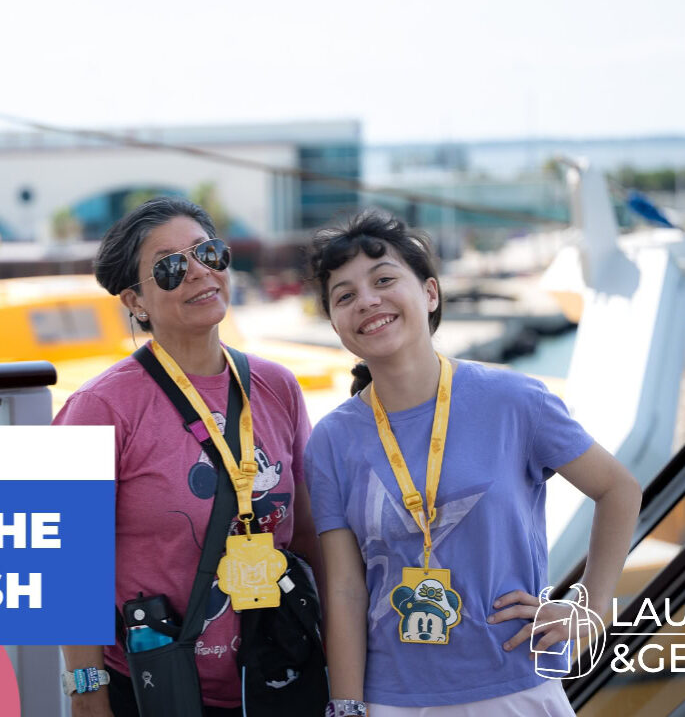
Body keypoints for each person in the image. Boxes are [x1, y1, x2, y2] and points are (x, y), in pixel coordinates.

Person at [304, 210, 641, 716]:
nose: (367, 301)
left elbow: (619, 489)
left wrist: (590, 610)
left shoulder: (514, 400)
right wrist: (348, 707)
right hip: (392, 699)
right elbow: (347, 590)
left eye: (384, 280)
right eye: (345, 295)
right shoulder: (331, 439)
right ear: (336, 323)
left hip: (516, 685)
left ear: (431, 293)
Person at [55, 196, 321, 717]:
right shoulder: (100, 408)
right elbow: (69, 572)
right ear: (136, 301)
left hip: (279, 676)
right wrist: (89, 698)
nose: (200, 272)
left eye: (209, 254)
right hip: (158, 689)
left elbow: (308, 533)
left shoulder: (276, 387)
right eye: (172, 267)